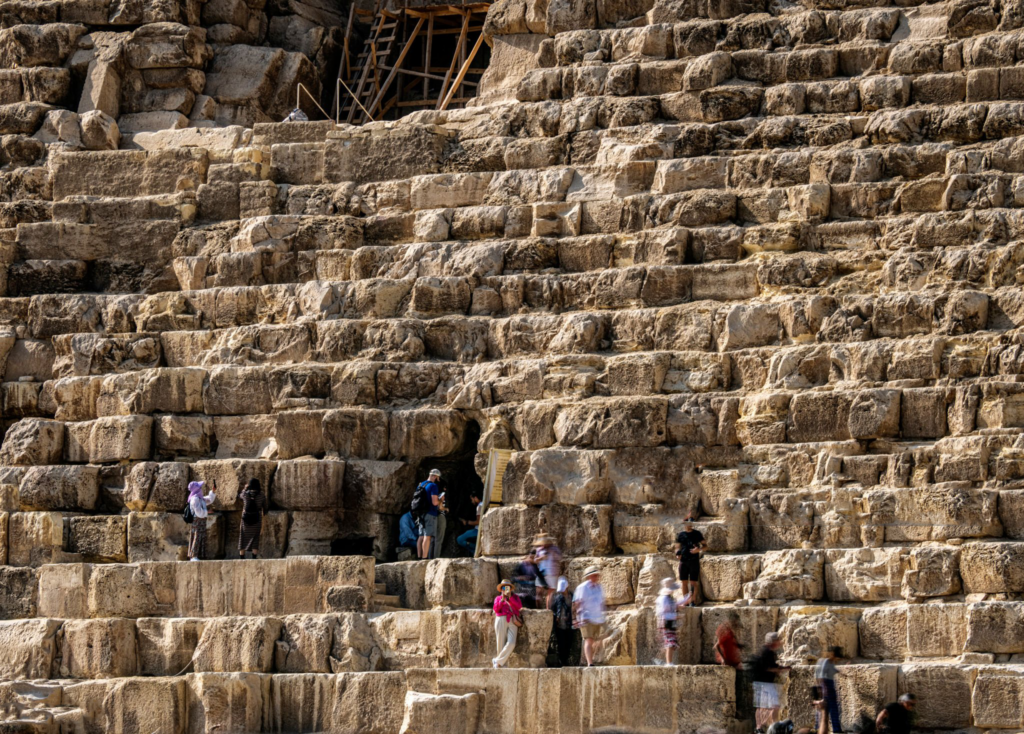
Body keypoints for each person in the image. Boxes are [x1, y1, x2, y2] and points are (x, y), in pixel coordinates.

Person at [572, 565, 606, 667]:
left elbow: (601, 603)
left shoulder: (599, 587)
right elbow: (576, 603)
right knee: (589, 639)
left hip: (597, 617)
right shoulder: (582, 588)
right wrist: (575, 618)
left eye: (596, 575)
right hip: (586, 617)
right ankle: (589, 663)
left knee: (596, 640)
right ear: (589, 576)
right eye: (594, 575)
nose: (596, 577)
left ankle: (592, 659)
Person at [752, 632, 786, 733]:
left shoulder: (767, 652)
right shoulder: (767, 652)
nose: (779, 642)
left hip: (762, 682)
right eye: (777, 640)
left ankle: (761, 728)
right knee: (773, 706)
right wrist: (781, 669)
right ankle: (769, 727)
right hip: (765, 683)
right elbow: (767, 668)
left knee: (762, 707)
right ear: (773, 641)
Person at [674, 515, 707, 606]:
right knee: (684, 582)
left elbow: (705, 546)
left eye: (692, 523)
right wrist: (677, 554)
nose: (691, 525)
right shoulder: (680, 535)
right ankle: (686, 601)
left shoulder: (697, 534)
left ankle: (692, 601)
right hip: (683, 561)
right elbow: (677, 547)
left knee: (693, 583)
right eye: (689, 523)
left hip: (694, 561)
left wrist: (698, 550)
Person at [492, 579, 523, 668]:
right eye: (504, 588)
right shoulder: (498, 598)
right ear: (501, 589)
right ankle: (500, 664)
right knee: (500, 642)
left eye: (507, 587)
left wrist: (510, 599)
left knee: (512, 643)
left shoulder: (515, 597)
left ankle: (497, 660)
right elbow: (496, 609)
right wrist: (502, 600)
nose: (506, 590)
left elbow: (519, 606)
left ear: (510, 589)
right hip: (501, 619)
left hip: (513, 620)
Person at [413, 469, 442, 560]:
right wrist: (441, 499)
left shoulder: (421, 484)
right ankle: (425, 558)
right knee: (427, 536)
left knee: (421, 536)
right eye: (438, 477)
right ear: (435, 476)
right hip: (430, 513)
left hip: (421, 513)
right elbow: (434, 502)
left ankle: (419, 557)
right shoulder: (433, 486)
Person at [815, 646, 843, 733]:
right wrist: (824, 690)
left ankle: (836, 729)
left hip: (829, 686)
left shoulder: (831, 663)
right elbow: (821, 677)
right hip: (826, 686)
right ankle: (819, 728)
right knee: (825, 709)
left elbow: (833, 670)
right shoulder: (825, 661)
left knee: (833, 708)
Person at [238, 478, 267, 559]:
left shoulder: (245, 494)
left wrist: (245, 488)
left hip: (246, 519)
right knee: (255, 538)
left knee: (243, 538)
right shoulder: (261, 495)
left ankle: (242, 558)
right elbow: (265, 507)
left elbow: (239, 496)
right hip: (257, 519)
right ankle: (254, 557)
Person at [187, 480, 216, 561]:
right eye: (200, 488)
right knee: (197, 537)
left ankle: (199, 555)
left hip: (201, 520)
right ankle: (193, 556)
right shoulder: (194, 499)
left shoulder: (200, 498)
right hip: (197, 521)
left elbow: (209, 500)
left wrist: (213, 491)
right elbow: (199, 512)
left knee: (201, 537)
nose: (201, 489)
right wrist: (208, 512)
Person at [548, 576, 574, 667]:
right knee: (561, 644)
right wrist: (556, 617)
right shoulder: (557, 597)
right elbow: (553, 609)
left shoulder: (572, 596)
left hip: (570, 624)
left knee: (569, 644)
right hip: (560, 625)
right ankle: (562, 662)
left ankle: (565, 661)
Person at [655, 578, 680, 665]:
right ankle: (668, 662)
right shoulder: (664, 599)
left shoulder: (668, 598)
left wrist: (687, 598)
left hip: (669, 622)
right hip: (666, 622)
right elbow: (663, 612)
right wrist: (675, 616)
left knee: (671, 642)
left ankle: (665, 661)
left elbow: (675, 605)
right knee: (670, 642)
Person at [533, 534, 562, 607]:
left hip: (552, 573)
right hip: (541, 572)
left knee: (550, 594)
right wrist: (540, 558)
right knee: (538, 592)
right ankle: (538, 609)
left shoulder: (555, 549)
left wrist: (552, 554)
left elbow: (559, 558)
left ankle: (548, 611)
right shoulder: (539, 550)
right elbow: (535, 560)